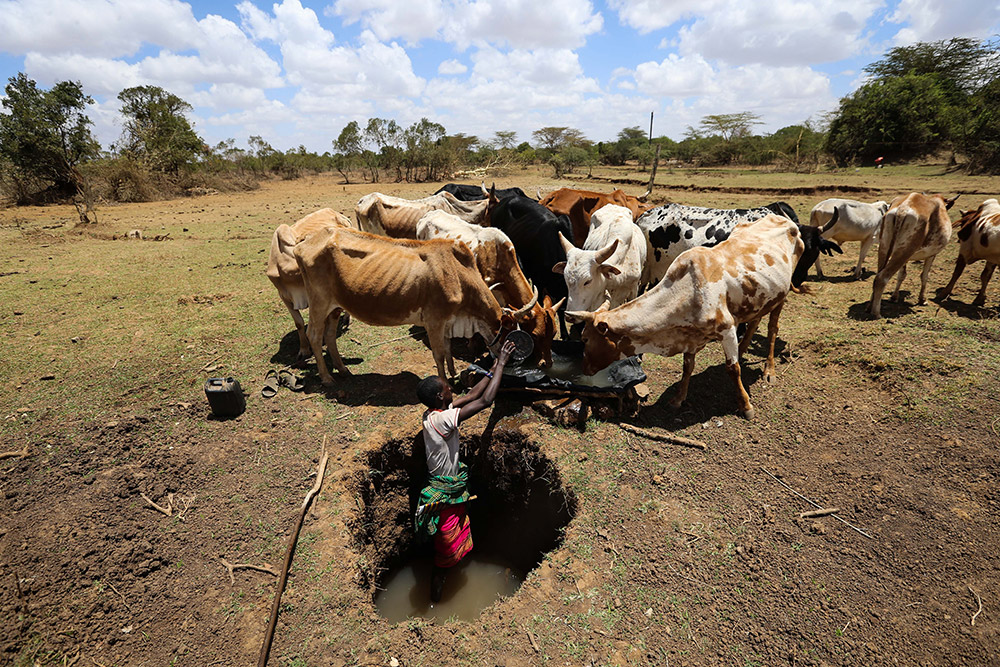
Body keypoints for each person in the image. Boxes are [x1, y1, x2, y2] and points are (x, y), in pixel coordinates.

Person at [414, 340, 516, 603]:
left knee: (450, 549)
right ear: (440, 396)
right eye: (448, 388)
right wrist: (503, 363)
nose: (451, 389)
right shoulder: (443, 420)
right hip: (444, 499)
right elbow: (485, 399)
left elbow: (471, 395)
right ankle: (434, 601)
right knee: (443, 557)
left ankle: (446, 580)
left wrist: (493, 369)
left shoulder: (434, 413)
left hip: (451, 493)